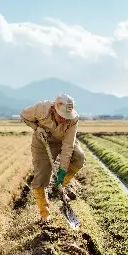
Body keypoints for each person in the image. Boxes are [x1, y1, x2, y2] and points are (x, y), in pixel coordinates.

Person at [20, 93, 85, 221]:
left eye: (67, 117)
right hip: (42, 142)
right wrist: (36, 128)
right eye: (62, 117)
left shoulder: (73, 120)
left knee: (79, 157)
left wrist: (62, 171)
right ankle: (45, 213)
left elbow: (68, 147)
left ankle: (58, 187)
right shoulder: (41, 108)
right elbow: (24, 115)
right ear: (54, 109)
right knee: (41, 177)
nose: (65, 120)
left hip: (63, 140)